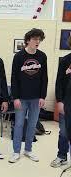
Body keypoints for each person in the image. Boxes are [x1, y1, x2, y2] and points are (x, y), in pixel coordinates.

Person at [9, 28, 48, 163]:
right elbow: (14, 78)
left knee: (32, 125)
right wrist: (16, 97)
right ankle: (16, 151)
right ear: (28, 40)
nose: (37, 42)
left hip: (36, 98)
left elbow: (45, 78)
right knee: (19, 124)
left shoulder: (42, 56)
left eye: (39, 39)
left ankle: (28, 150)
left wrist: (43, 96)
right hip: (21, 98)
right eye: (35, 39)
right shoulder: (19, 56)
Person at [51, 36, 71, 167]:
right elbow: (59, 82)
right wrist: (59, 101)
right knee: (64, 131)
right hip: (67, 102)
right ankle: (62, 156)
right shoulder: (65, 60)